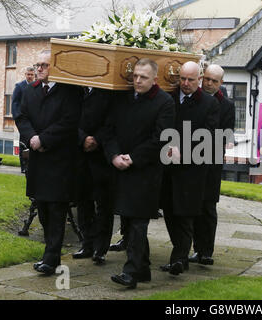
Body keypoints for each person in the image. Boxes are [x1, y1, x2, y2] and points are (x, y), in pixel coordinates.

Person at [103, 58, 175, 288]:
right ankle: (142, 268)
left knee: (138, 222)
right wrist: (114, 155)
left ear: (155, 78)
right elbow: (109, 130)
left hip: (146, 172)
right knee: (129, 220)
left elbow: (161, 139)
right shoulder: (122, 98)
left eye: (143, 77)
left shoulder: (165, 102)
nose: (137, 80)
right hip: (121, 168)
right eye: (135, 75)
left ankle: (131, 273)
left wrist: (133, 158)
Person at [16, 49, 82, 275]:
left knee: (56, 210)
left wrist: (44, 139)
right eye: (37, 65)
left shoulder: (70, 92)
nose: (40, 69)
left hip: (59, 161)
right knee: (42, 209)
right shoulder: (31, 90)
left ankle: (51, 259)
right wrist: (32, 138)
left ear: (55, 66)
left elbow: (69, 121)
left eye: (44, 65)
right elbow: (21, 117)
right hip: (38, 160)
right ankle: (49, 253)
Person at [160, 61, 220, 276]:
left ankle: (179, 258)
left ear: (199, 79)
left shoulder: (209, 104)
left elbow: (210, 135)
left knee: (185, 215)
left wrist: (184, 151)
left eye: (190, 80)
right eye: (182, 79)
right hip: (168, 166)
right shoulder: (169, 98)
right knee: (169, 212)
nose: (185, 83)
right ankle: (180, 256)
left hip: (192, 169)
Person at [189, 64, 235, 265]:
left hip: (211, 162)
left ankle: (205, 251)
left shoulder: (227, 105)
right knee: (191, 206)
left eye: (214, 81)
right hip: (190, 160)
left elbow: (226, 135)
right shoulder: (192, 99)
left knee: (208, 207)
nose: (208, 83)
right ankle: (192, 248)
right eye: (206, 79)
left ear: (221, 83)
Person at [71, 87, 114, 265]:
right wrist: (82, 138)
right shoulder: (74, 90)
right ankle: (87, 243)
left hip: (101, 156)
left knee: (104, 204)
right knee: (83, 201)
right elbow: (68, 117)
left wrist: (96, 139)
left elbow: (112, 120)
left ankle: (100, 248)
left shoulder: (108, 90)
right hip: (80, 154)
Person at [12, 67, 36, 173]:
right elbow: (15, 104)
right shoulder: (19, 86)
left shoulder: (36, 86)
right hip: (23, 121)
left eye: (31, 74)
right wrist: (18, 119)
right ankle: (24, 167)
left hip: (34, 121)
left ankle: (31, 165)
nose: (30, 76)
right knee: (23, 144)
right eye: (28, 74)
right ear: (25, 74)